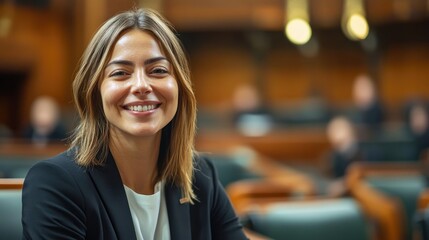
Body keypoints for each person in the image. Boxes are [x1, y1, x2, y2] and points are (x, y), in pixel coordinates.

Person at [22, 8, 248, 240]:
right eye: (120, 73)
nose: (141, 85)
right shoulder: (55, 184)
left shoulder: (200, 176)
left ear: (179, 85)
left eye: (158, 70)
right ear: (94, 92)